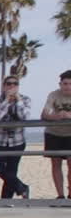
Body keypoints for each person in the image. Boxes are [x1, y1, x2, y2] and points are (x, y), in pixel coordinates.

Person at [0, 75, 32, 202]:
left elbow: (24, 116)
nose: (11, 86)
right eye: (8, 83)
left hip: (17, 141)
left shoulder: (25, 99)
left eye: (15, 84)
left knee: (12, 171)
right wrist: (6, 100)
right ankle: (21, 187)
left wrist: (17, 100)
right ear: (3, 86)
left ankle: (6, 200)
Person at [41, 70, 71, 203]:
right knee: (56, 164)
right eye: (65, 83)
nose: (67, 87)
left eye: (70, 84)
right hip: (53, 133)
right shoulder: (53, 95)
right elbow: (45, 114)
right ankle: (60, 195)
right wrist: (56, 116)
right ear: (60, 84)